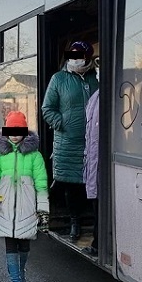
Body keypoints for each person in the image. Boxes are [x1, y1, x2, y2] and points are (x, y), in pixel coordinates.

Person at [0, 111, 49, 282]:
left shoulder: (35, 156)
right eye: (12, 129)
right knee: (10, 246)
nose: (15, 134)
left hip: (27, 209)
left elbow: (42, 185)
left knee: (24, 246)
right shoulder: (0, 157)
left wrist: (43, 211)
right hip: (5, 210)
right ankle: (16, 281)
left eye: (19, 130)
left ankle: (21, 272)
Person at [41, 40, 99, 242]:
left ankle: (96, 225)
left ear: (88, 56)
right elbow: (47, 109)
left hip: (93, 142)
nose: (75, 58)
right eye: (72, 54)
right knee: (72, 187)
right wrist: (62, 123)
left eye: (80, 54)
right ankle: (75, 222)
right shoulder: (59, 79)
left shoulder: (96, 77)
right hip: (67, 142)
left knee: (91, 183)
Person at [82, 87, 100, 257]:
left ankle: (98, 242)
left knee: (100, 205)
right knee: (97, 205)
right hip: (94, 161)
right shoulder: (96, 95)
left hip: (99, 161)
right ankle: (97, 242)